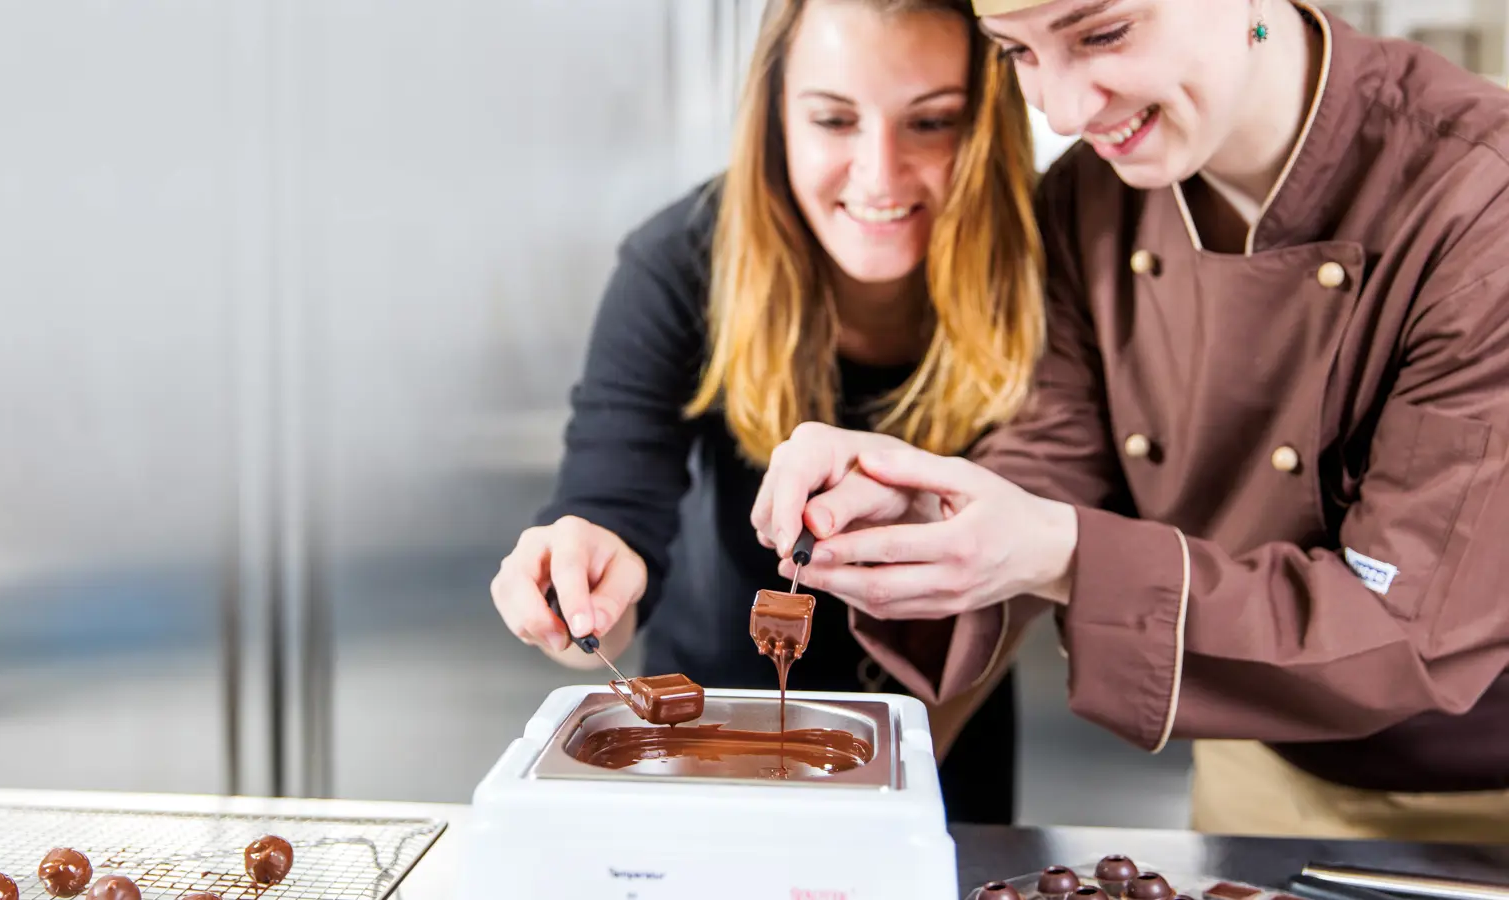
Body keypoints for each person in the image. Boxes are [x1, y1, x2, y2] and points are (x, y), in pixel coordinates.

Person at [752, 0, 1509, 842]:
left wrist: (1067, 554)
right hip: (1262, 766)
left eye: (1102, 34)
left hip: (1488, 794)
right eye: (1018, 54)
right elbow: (1050, 461)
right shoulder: (1089, 198)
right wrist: (929, 510)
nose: (1064, 111)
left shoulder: (1482, 203)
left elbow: (1402, 631)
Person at [487, 0, 1044, 823]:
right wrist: (585, 576)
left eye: (932, 123)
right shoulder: (678, 265)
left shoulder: (1048, 266)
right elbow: (611, 505)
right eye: (833, 119)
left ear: (990, 122)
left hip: (946, 745)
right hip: (708, 750)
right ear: (775, 117)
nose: (880, 173)